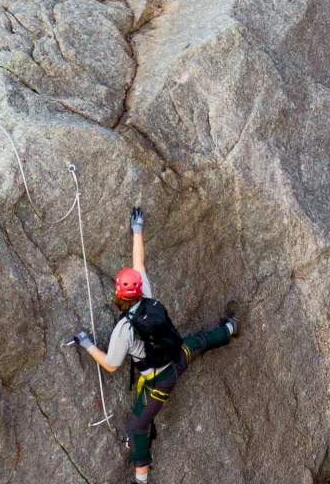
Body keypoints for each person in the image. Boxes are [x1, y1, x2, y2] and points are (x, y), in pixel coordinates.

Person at [71, 205, 237, 484]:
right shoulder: (147, 298)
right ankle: (230, 328)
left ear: (119, 295)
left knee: (138, 425)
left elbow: (111, 365)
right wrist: (138, 229)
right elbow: (140, 266)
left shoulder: (124, 329)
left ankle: (142, 478)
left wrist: (87, 343)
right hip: (178, 355)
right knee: (199, 342)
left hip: (160, 381)